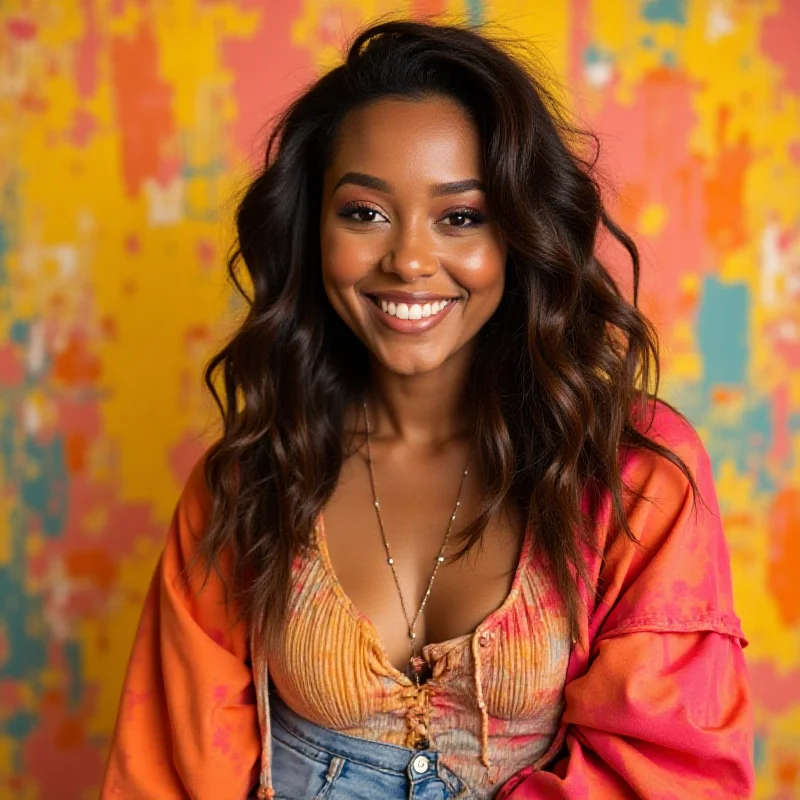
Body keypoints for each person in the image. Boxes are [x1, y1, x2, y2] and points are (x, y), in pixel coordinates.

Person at [101, 18, 754, 800]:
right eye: (365, 213)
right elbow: (169, 773)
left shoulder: (635, 475)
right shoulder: (248, 481)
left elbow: (672, 774)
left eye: (461, 216)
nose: (409, 260)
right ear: (313, 231)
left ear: (519, 232)